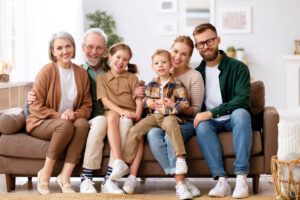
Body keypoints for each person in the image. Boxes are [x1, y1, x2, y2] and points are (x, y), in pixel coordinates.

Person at [27, 28, 145, 194]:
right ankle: (86, 178)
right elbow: (38, 99)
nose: (94, 52)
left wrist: (140, 91)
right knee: (99, 121)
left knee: (120, 122)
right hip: (90, 119)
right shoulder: (77, 70)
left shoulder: (112, 68)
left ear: (105, 50)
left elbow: (130, 83)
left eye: (98, 48)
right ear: (82, 47)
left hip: (104, 116)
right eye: (90, 47)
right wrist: (30, 99)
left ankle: (110, 179)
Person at [110, 49, 191, 195]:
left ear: (171, 64)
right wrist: (150, 103)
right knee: (135, 131)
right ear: (152, 67)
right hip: (154, 117)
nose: (160, 65)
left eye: (164, 62)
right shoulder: (151, 83)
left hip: (169, 116)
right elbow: (145, 100)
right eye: (157, 63)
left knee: (172, 125)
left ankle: (180, 158)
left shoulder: (177, 84)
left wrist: (172, 105)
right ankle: (124, 163)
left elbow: (184, 104)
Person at [26, 31, 92, 194]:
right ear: (53, 52)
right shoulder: (47, 71)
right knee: (65, 126)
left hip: (69, 120)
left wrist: (74, 115)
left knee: (82, 124)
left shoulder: (81, 73)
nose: (65, 51)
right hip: (42, 122)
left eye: (68, 46)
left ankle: (65, 176)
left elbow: (87, 105)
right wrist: (59, 116)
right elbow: (35, 106)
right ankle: (45, 175)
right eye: (59, 48)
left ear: (74, 48)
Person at [193, 23, 252, 198]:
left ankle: (241, 178)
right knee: (201, 126)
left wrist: (211, 112)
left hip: (233, 118)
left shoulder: (238, 67)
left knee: (241, 113)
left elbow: (242, 99)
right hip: (211, 123)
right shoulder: (197, 74)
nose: (206, 46)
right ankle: (221, 181)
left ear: (218, 40)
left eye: (209, 41)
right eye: (200, 44)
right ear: (197, 48)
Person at [147, 36, 204, 199]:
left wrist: (174, 105)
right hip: (161, 119)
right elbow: (150, 95)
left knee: (170, 132)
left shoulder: (195, 76)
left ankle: (179, 184)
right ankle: (182, 181)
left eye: (184, 54)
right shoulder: (161, 71)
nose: (178, 57)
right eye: (175, 51)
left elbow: (195, 110)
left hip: (185, 121)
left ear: (189, 57)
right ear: (170, 50)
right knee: (152, 134)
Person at [96, 43, 144, 194]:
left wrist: (137, 114)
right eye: (118, 57)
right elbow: (105, 101)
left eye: (125, 59)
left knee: (136, 131)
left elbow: (138, 99)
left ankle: (128, 177)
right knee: (112, 118)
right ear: (110, 57)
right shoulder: (102, 78)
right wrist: (121, 111)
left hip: (130, 113)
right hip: (113, 111)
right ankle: (118, 161)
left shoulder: (132, 78)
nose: (121, 62)